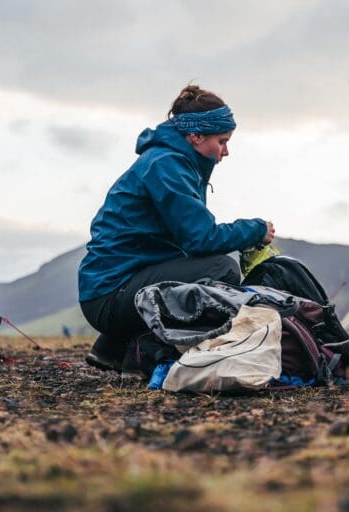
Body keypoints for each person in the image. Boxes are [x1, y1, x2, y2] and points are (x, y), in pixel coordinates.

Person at [78, 84, 275, 376]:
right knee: (222, 270)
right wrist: (255, 230)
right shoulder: (167, 165)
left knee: (187, 264)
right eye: (221, 141)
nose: (226, 151)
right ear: (195, 136)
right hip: (111, 295)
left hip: (111, 288)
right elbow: (200, 238)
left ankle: (111, 348)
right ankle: (144, 352)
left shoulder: (172, 161)